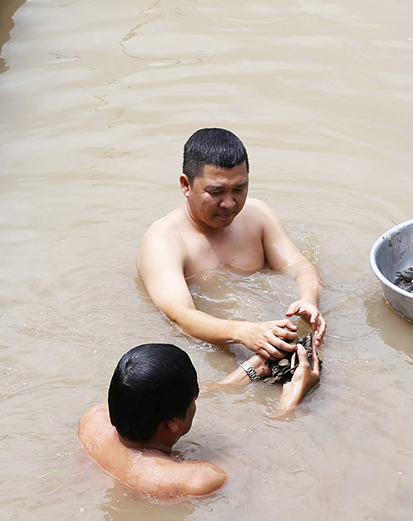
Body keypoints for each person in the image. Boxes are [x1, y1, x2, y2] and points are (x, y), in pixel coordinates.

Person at [137, 128, 326, 363]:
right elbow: (179, 316)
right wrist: (243, 332)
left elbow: (299, 266)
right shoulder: (163, 241)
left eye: (239, 189)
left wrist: (308, 298)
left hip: (269, 332)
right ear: (186, 185)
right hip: (221, 351)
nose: (229, 203)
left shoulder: (257, 215)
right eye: (216, 192)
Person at [78, 342, 320, 499]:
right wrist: (289, 406)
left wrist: (250, 370)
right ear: (173, 423)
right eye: (194, 400)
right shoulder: (196, 480)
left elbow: (145, 395)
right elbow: (259, 459)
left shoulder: (93, 420)